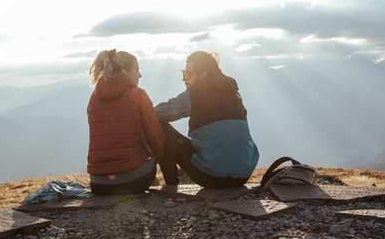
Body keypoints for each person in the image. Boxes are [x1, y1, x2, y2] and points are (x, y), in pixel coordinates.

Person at [155, 50, 259, 188]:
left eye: (186, 73)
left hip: (211, 177)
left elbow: (153, 114)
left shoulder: (195, 95)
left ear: (202, 73)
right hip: (243, 175)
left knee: (161, 127)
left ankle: (171, 185)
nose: (183, 78)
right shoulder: (233, 93)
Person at [86, 49, 165, 195]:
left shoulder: (93, 98)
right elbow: (156, 139)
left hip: (98, 183)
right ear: (124, 72)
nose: (140, 75)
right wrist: (151, 165)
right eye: (137, 70)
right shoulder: (138, 94)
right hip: (133, 181)